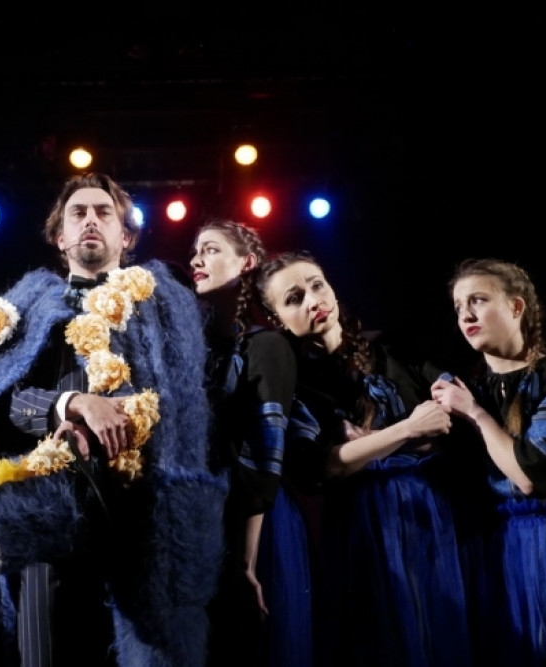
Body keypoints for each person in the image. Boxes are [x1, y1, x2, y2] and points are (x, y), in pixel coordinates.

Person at [0, 172, 226, 666]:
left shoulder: (165, 307)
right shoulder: (25, 309)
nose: (91, 220)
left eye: (104, 212)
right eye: (78, 213)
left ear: (126, 236)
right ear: (60, 236)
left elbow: (186, 416)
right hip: (51, 522)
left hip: (142, 526)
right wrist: (69, 405)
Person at [256, 250, 471, 667]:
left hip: (429, 509)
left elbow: (451, 421)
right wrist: (407, 430)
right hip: (361, 521)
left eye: (317, 285)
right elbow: (318, 469)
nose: (313, 300)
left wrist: (366, 443)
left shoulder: (392, 347)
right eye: (294, 299)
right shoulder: (296, 380)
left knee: (438, 629)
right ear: (277, 319)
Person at [430, 258, 546, 667]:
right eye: (459, 306)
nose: (466, 315)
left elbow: (534, 477)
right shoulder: (469, 386)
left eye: (478, 300)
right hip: (497, 549)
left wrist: (477, 415)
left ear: (516, 307)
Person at [189, 220, 315, 667]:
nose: (196, 259)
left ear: (246, 262)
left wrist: (246, 563)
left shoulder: (267, 346)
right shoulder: (205, 351)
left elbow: (265, 459)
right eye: (195, 251)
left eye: (210, 249)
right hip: (213, 520)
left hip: (257, 527)